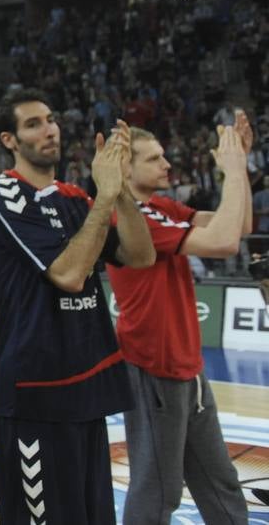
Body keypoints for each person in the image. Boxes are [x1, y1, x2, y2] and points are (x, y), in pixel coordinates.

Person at [0, 90, 155, 525]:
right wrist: (106, 198)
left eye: (51, 119)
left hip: (84, 385)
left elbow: (140, 256)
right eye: (33, 123)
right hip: (38, 393)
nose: (49, 128)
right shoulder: (4, 195)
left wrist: (122, 190)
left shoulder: (75, 198)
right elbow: (70, 275)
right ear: (9, 140)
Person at [108, 115, 254, 524]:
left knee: (219, 480)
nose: (167, 164)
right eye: (154, 159)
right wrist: (235, 169)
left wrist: (237, 166)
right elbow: (224, 242)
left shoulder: (162, 208)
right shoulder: (130, 219)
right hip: (155, 368)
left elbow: (237, 225)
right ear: (126, 168)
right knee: (157, 491)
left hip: (187, 369)